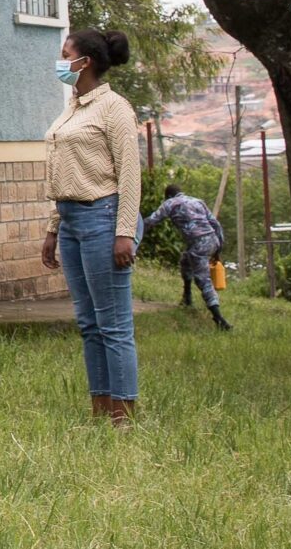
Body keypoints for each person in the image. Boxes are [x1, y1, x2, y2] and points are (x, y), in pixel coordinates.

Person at [41, 29, 142, 427]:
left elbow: (129, 175)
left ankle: (125, 414)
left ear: (84, 63)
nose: (60, 60)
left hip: (104, 218)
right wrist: (53, 228)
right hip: (71, 221)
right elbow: (60, 171)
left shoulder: (114, 108)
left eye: (65, 54)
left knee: (114, 324)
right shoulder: (73, 107)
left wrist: (124, 232)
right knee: (89, 324)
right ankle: (101, 409)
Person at [142, 182, 232, 330]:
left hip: (198, 245)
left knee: (203, 280)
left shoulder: (169, 204)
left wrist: (134, 233)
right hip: (212, 240)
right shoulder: (197, 201)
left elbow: (151, 220)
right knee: (185, 261)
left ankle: (219, 319)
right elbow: (215, 224)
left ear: (168, 196)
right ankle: (187, 297)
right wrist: (218, 249)